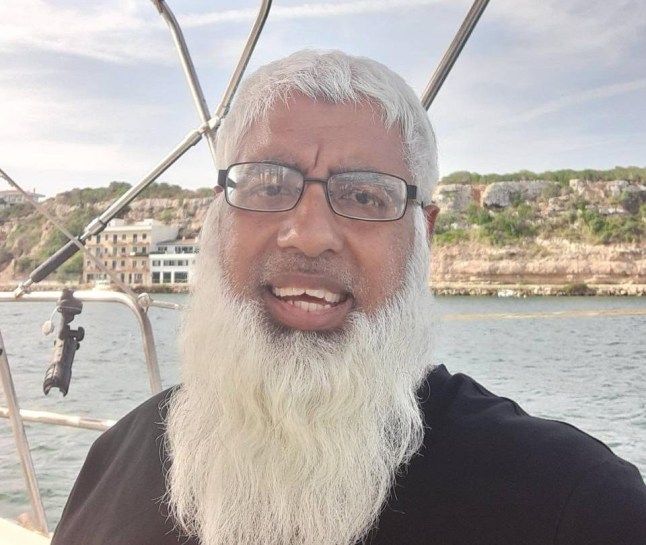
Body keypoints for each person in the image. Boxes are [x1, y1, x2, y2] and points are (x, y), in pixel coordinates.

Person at [51, 50, 646, 545]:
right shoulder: (113, 462)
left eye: (364, 196)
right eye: (269, 185)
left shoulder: (572, 503)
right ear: (217, 218)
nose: (309, 234)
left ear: (423, 235)